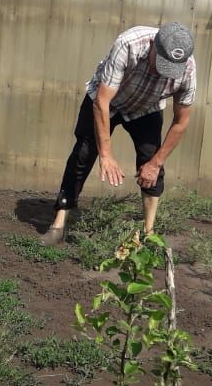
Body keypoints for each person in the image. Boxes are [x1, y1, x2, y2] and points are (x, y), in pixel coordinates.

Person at [44, 22, 197, 243]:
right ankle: (59, 222)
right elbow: (102, 102)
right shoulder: (129, 44)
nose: (162, 72)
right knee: (84, 154)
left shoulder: (188, 69)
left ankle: (149, 234)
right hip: (107, 101)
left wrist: (155, 164)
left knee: (152, 161)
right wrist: (106, 154)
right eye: (160, 63)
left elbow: (181, 121)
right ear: (154, 45)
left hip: (147, 107)